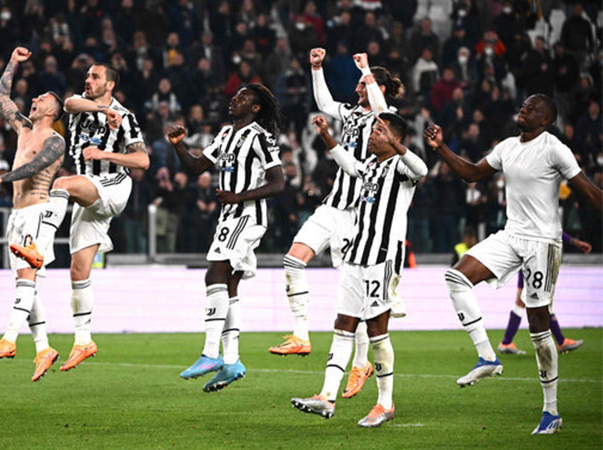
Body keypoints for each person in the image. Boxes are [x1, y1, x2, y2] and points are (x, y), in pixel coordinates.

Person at [424, 94, 603, 434]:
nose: (524, 108)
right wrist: (441, 148)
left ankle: (551, 411)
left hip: (543, 242)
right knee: (456, 277)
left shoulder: (555, 149)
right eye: (524, 105)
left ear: (546, 120)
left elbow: (590, 192)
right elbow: (472, 174)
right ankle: (488, 357)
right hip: (512, 234)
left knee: (538, 324)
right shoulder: (507, 146)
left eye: (533, 108)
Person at [272, 48, 404, 400]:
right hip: (333, 205)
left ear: (377, 87)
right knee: (293, 260)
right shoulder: (351, 112)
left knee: (354, 298)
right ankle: (301, 335)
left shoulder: (386, 119)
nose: (357, 88)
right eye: (360, 83)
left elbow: (382, 110)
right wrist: (315, 68)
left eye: (363, 84)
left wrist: (368, 72)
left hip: (359, 216)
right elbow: (325, 102)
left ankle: (360, 363)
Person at [291, 112, 426, 427]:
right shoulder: (371, 167)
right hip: (356, 255)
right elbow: (349, 164)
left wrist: (398, 145)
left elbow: (422, 169)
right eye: (374, 130)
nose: (372, 135)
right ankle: (326, 396)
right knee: (343, 325)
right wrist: (326, 135)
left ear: (395, 138)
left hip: (382, 256)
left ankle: (385, 404)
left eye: (380, 131)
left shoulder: (401, 167)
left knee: (377, 330)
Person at [167, 84, 285, 392]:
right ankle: (232, 361)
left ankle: (210, 353)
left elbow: (278, 183)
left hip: (247, 215)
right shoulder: (224, 134)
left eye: (243, 97)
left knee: (214, 274)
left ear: (256, 108)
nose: (235, 99)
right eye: (235, 95)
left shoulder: (260, 137)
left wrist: (238, 197)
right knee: (229, 285)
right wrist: (179, 146)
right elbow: (196, 167)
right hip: (229, 216)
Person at [47, 62, 149, 372]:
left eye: (95, 76)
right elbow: (69, 103)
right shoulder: (82, 105)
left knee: (61, 184)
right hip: (88, 190)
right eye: (87, 75)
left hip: (114, 184)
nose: (88, 79)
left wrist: (105, 154)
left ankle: (40, 245)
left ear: (110, 84)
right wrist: (104, 111)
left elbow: (142, 160)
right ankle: (83, 341)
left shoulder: (126, 117)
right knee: (78, 270)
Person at [0, 47, 66, 382]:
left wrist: (0, 178)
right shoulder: (23, 128)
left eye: (42, 98)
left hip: (38, 212)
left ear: (51, 110)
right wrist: (12, 61)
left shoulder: (55, 141)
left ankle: (9, 339)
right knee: (26, 284)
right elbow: (1, 96)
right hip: (17, 215)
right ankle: (43, 348)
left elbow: (35, 167)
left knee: (27, 278)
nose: (35, 98)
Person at [498, 232, 591, 355]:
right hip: (532, 258)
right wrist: (576, 242)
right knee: (540, 300)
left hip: (527, 256)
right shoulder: (540, 223)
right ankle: (561, 341)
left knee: (524, 302)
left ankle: (506, 342)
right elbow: (554, 231)